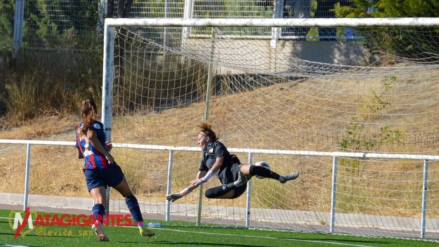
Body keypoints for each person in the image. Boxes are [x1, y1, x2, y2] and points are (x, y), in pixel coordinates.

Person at [75, 99, 155, 241]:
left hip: (90, 170)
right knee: (127, 194)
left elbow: (80, 154)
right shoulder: (96, 125)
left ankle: (97, 224)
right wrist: (107, 154)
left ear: (81, 112)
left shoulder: (78, 129)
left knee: (99, 201)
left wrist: (102, 147)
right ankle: (142, 227)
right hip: (106, 166)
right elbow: (92, 137)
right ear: (95, 110)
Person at [167, 123, 300, 202]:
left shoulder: (217, 145)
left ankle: (281, 178)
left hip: (236, 171)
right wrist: (181, 194)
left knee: (251, 169)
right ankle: (239, 181)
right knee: (208, 194)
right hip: (232, 188)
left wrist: (206, 178)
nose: (197, 142)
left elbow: (219, 162)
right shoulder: (205, 158)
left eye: (199, 139)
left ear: (208, 138)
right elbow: (197, 181)